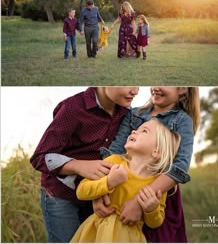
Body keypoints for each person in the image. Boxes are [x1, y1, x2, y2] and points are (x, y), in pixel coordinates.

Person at [30, 85, 139, 244]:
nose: (135, 91)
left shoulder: (128, 114)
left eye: (137, 85)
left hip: (97, 194)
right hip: (61, 195)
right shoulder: (72, 108)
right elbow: (40, 157)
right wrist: (78, 165)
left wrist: (101, 191)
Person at [98, 86, 200, 243]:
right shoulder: (133, 114)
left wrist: (140, 201)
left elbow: (179, 167)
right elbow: (114, 153)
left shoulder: (182, 120)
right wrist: (101, 191)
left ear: (182, 89)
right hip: (121, 187)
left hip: (159, 192)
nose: (156, 87)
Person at [71, 118, 180, 243]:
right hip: (98, 232)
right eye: (136, 129)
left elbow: (155, 223)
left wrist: (151, 209)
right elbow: (81, 191)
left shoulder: (157, 183)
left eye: (144, 131)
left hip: (129, 237)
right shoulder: (114, 161)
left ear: (157, 151)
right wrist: (109, 181)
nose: (134, 131)